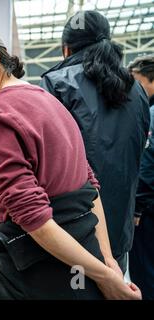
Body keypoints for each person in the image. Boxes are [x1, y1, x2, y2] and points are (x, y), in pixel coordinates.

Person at [0, 25, 141, 300]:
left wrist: (105, 275)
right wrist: (107, 263)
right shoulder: (50, 101)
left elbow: (32, 215)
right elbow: (90, 185)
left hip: (39, 269)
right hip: (83, 254)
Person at [40, 11, 150, 274]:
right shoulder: (137, 91)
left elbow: (44, 162)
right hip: (118, 233)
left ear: (66, 48)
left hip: (69, 234)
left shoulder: (57, 83)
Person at [128, 55, 154, 299]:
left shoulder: (151, 113)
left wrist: (137, 209)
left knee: (144, 272)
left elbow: (148, 165)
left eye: (137, 82)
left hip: (148, 212)